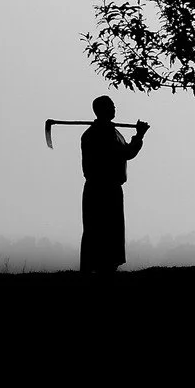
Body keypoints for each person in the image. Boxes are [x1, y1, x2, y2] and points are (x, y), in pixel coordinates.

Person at [80, 95, 147, 274]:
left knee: (106, 229)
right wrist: (139, 136)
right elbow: (126, 152)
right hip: (103, 187)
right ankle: (103, 268)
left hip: (104, 187)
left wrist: (137, 137)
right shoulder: (103, 133)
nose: (114, 108)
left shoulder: (105, 132)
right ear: (102, 110)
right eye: (111, 106)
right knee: (104, 229)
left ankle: (103, 267)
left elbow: (125, 151)